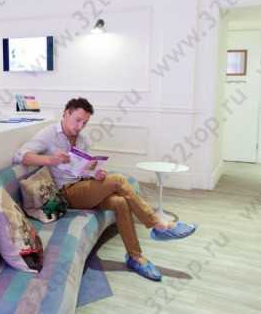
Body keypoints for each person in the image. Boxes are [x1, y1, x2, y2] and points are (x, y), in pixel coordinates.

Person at [13, 97, 196, 281]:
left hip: (82, 186)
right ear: (66, 113)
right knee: (118, 180)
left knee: (120, 202)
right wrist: (50, 160)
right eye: (77, 120)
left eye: (85, 123)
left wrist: (95, 173)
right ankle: (158, 224)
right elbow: (20, 156)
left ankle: (135, 257)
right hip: (65, 193)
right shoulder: (49, 134)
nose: (80, 126)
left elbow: (82, 169)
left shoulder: (82, 139)